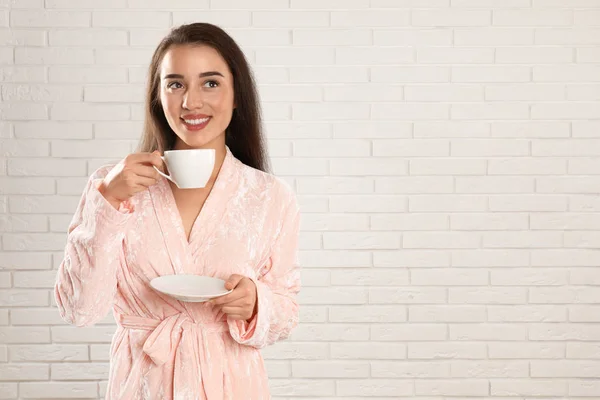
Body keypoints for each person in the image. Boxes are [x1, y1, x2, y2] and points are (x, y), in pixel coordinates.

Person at [54, 22, 301, 400]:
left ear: (237, 96)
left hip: (232, 386)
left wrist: (256, 302)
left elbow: (286, 311)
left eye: (211, 83)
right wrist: (107, 204)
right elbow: (80, 310)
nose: (191, 102)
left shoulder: (270, 196)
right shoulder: (111, 186)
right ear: (158, 96)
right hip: (142, 385)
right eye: (175, 84)